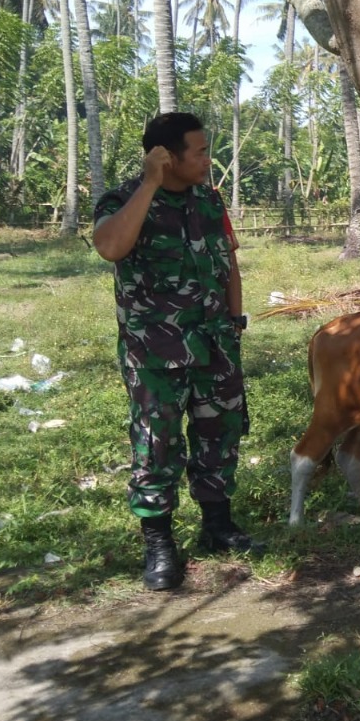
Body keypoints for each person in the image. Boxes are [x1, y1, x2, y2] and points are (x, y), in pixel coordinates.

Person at [94, 113, 258, 592]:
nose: (209, 160)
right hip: (156, 353)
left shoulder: (209, 199)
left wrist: (236, 321)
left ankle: (218, 525)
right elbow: (109, 246)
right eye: (201, 151)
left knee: (220, 434)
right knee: (156, 446)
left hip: (216, 344)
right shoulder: (122, 199)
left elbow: (228, 261)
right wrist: (149, 183)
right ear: (167, 155)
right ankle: (160, 543)